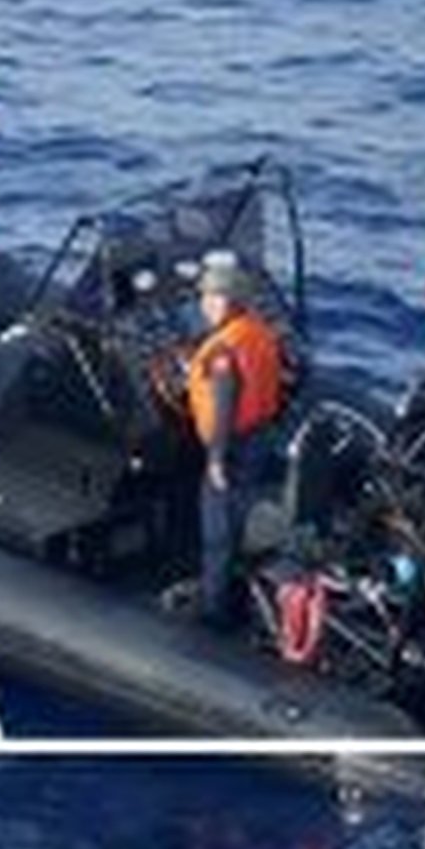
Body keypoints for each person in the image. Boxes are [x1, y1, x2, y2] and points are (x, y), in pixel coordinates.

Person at [179, 251, 291, 627]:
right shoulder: (257, 332)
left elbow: (224, 406)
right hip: (259, 436)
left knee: (217, 531)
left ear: (233, 302)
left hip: (231, 449)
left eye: (216, 298)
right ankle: (240, 591)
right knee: (240, 516)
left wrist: (214, 460)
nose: (207, 305)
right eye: (205, 297)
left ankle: (215, 610)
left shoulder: (222, 352)